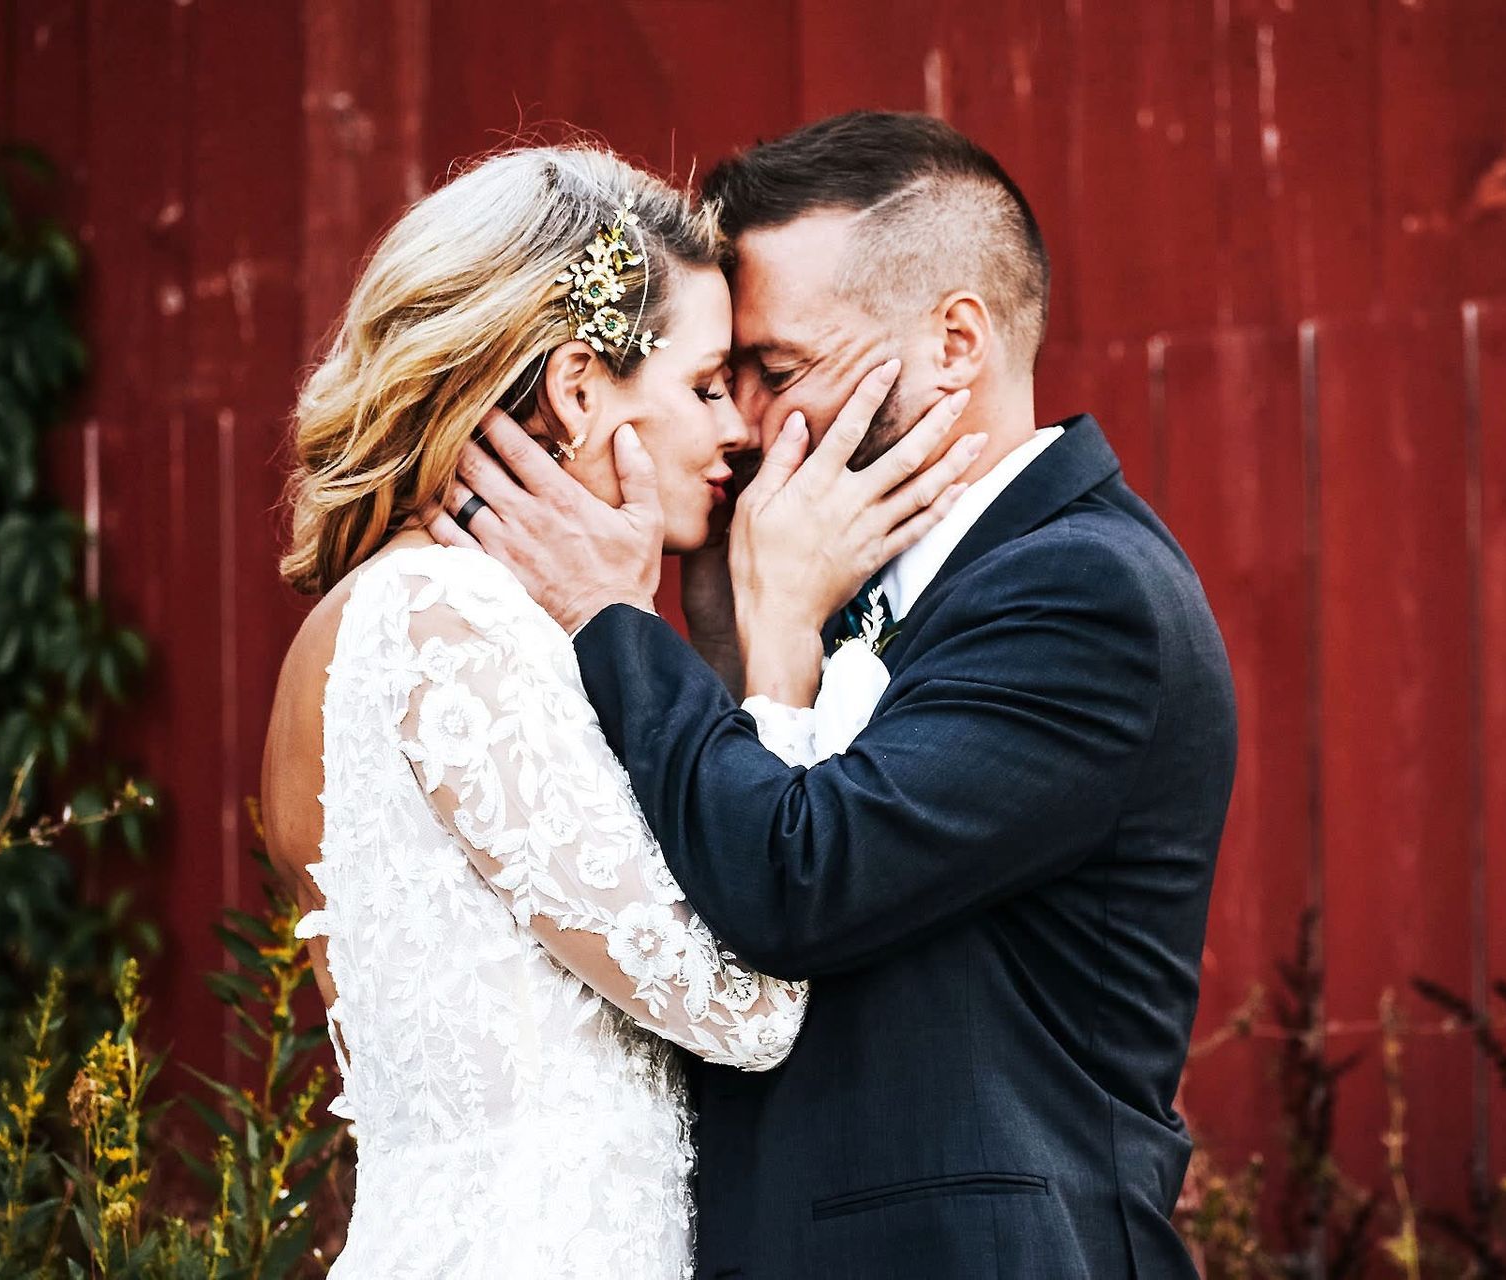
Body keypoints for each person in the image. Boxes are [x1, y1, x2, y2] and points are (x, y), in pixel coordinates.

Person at [437, 111, 1238, 1279]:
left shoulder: (1085, 592)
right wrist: (726, 641)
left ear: (956, 341)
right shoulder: (844, 580)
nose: (749, 425)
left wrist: (621, 618)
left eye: (779, 370)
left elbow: (796, 882)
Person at [258, 143, 971, 1278]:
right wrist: (780, 646)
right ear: (580, 389)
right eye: (700, 385)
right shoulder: (448, 618)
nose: (737, 427)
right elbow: (745, 1004)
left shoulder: (389, 615)